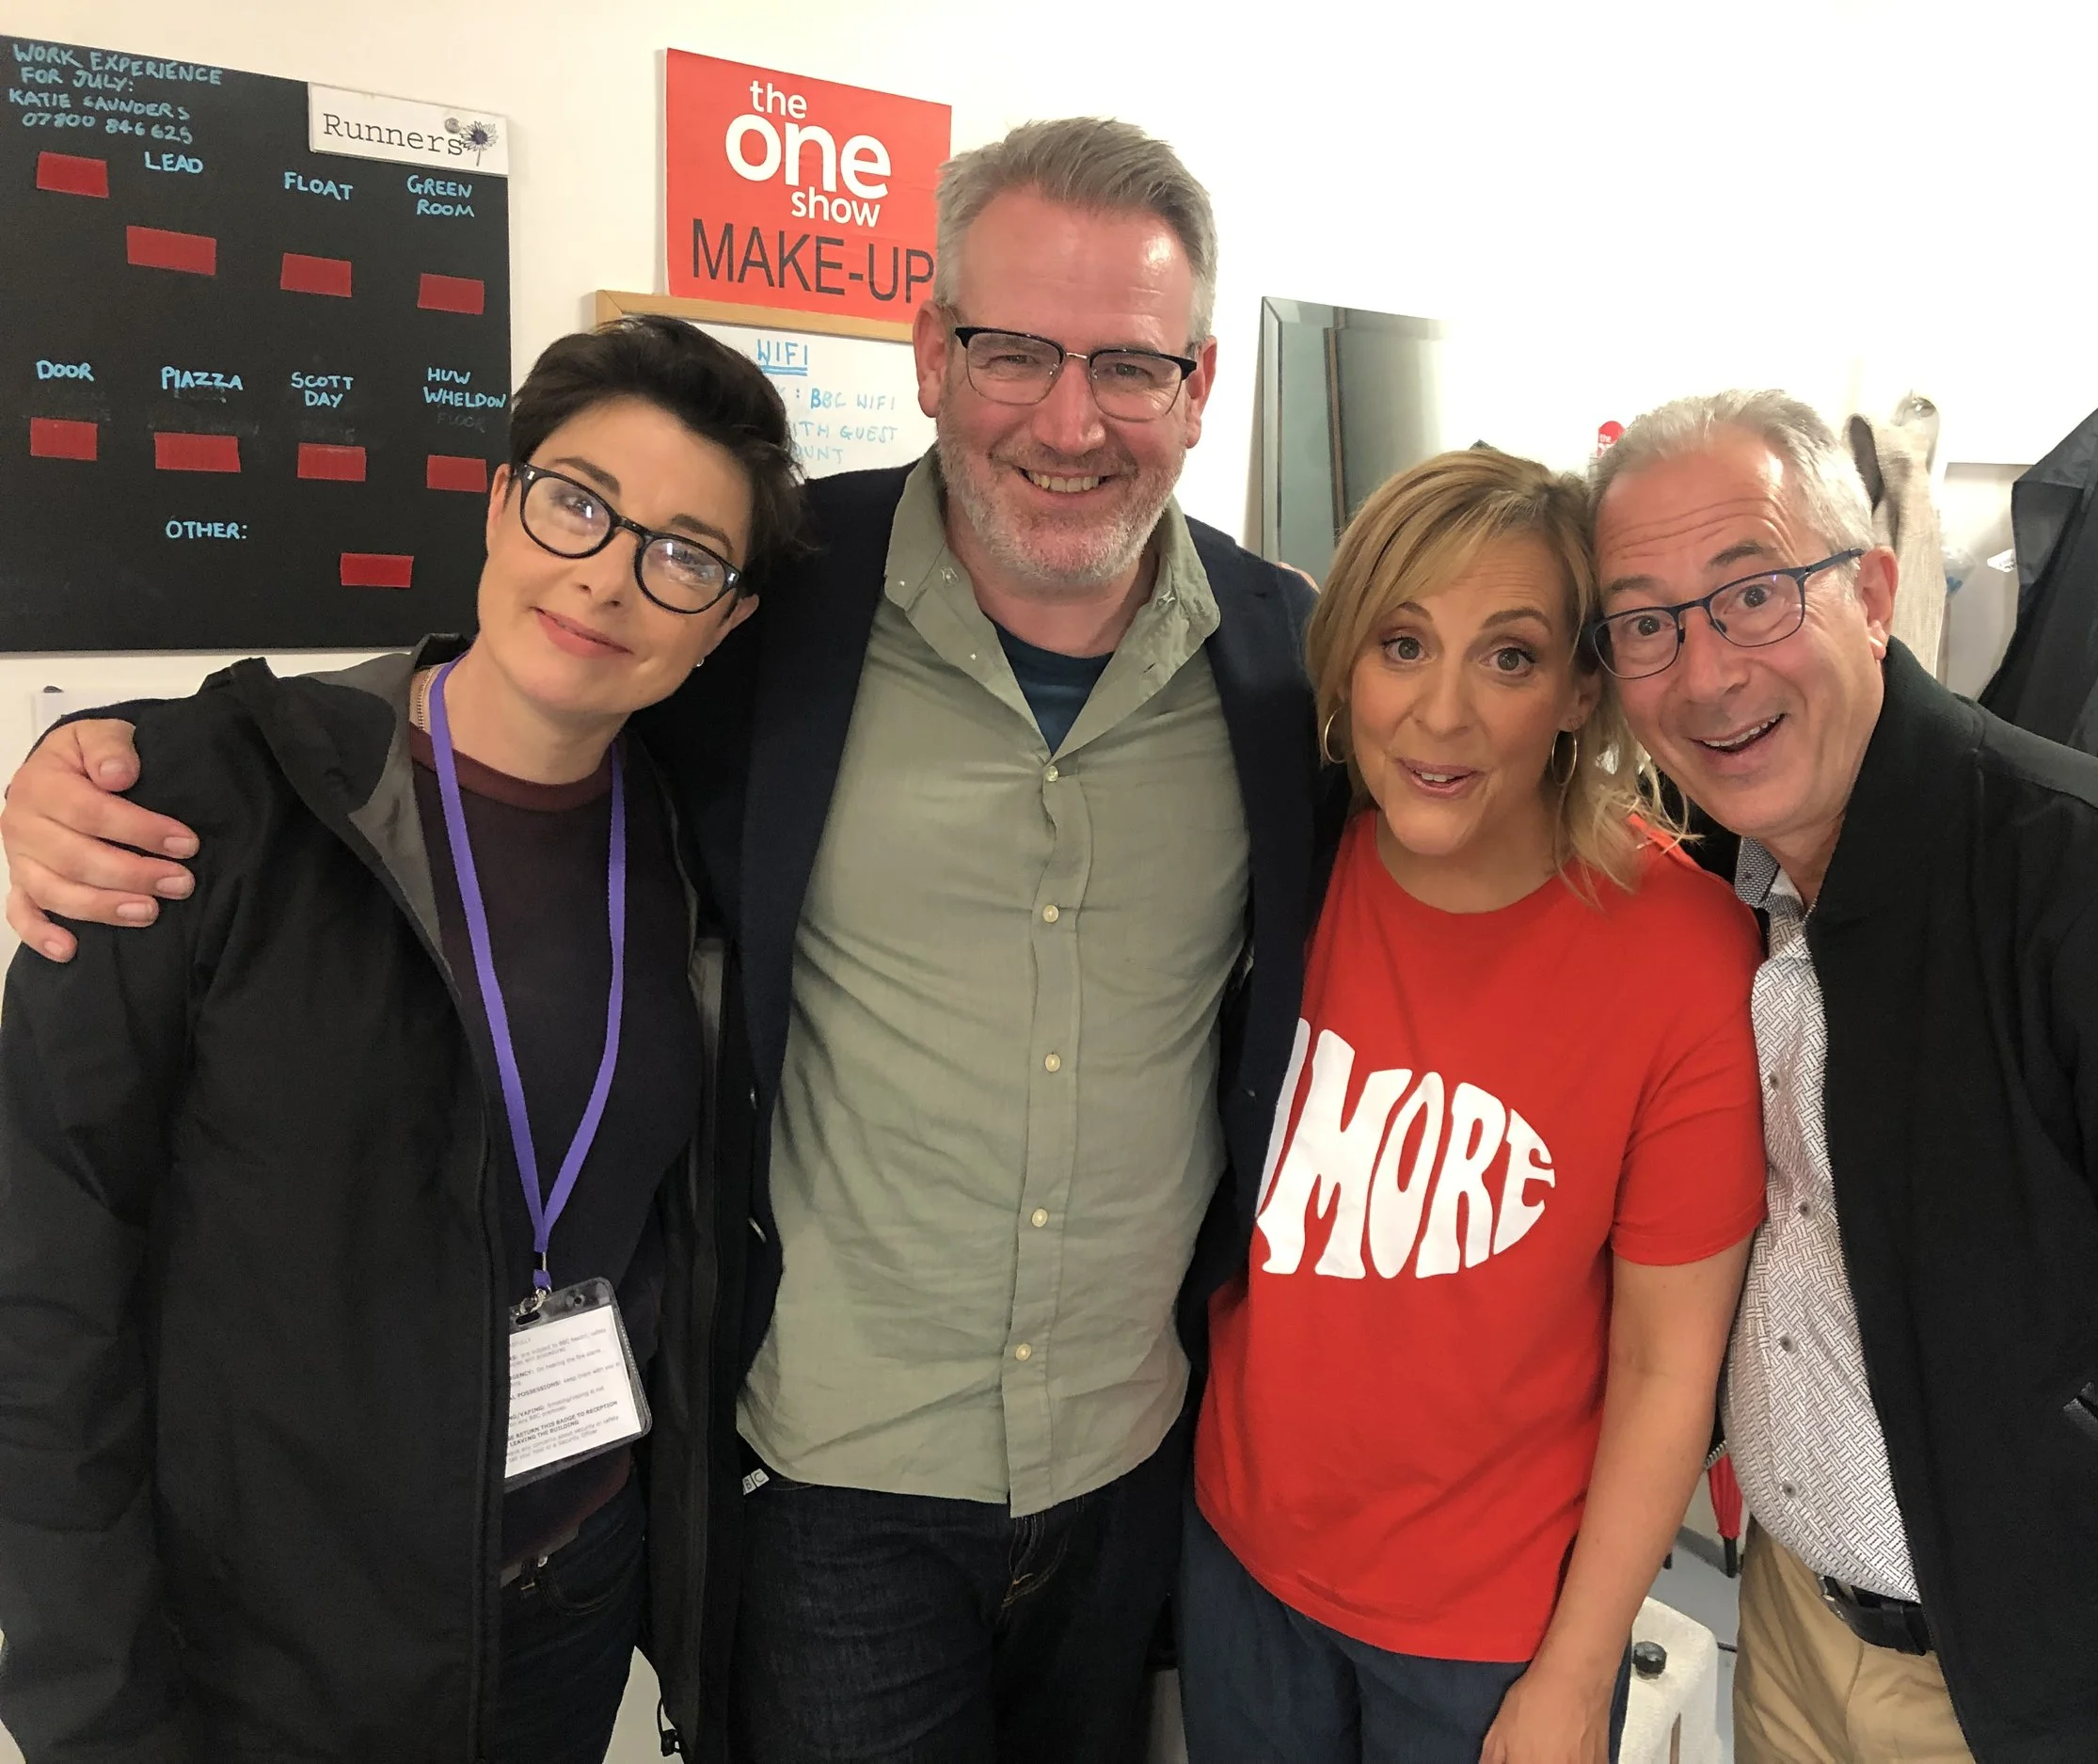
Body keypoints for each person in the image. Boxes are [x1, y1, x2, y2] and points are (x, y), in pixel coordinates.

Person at [0, 119, 1323, 1764]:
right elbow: (519, 685)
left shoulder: (1290, 664)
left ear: (1200, 388)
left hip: (1115, 1465)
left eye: (1128, 363)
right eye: (1013, 350)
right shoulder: (795, 609)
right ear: (930, 353)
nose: (1070, 419)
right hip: (816, 1491)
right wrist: (95, 764)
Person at [0, 314, 795, 1761]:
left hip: (568, 1598)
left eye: (683, 556)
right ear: (498, 503)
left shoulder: (696, 853)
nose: (607, 576)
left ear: (724, 621)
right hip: (275, 1646)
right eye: (577, 503)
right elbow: (46, 1290)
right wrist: (90, 1704)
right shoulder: (201, 809)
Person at [1584, 389, 2098, 1764]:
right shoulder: (1721, 884)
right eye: (1647, 624)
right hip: (1790, 1630)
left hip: (2026, 1692)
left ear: (1874, 593)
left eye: (1754, 593)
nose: (1705, 675)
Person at [1183, 450, 1766, 1764]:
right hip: (1244, 1562)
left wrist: (1574, 1673)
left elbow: (1668, 1363)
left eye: (1509, 657)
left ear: (1577, 690)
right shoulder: (1290, 864)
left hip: (1493, 1632)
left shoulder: (1680, 953)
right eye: (1402, 644)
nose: (1440, 713)